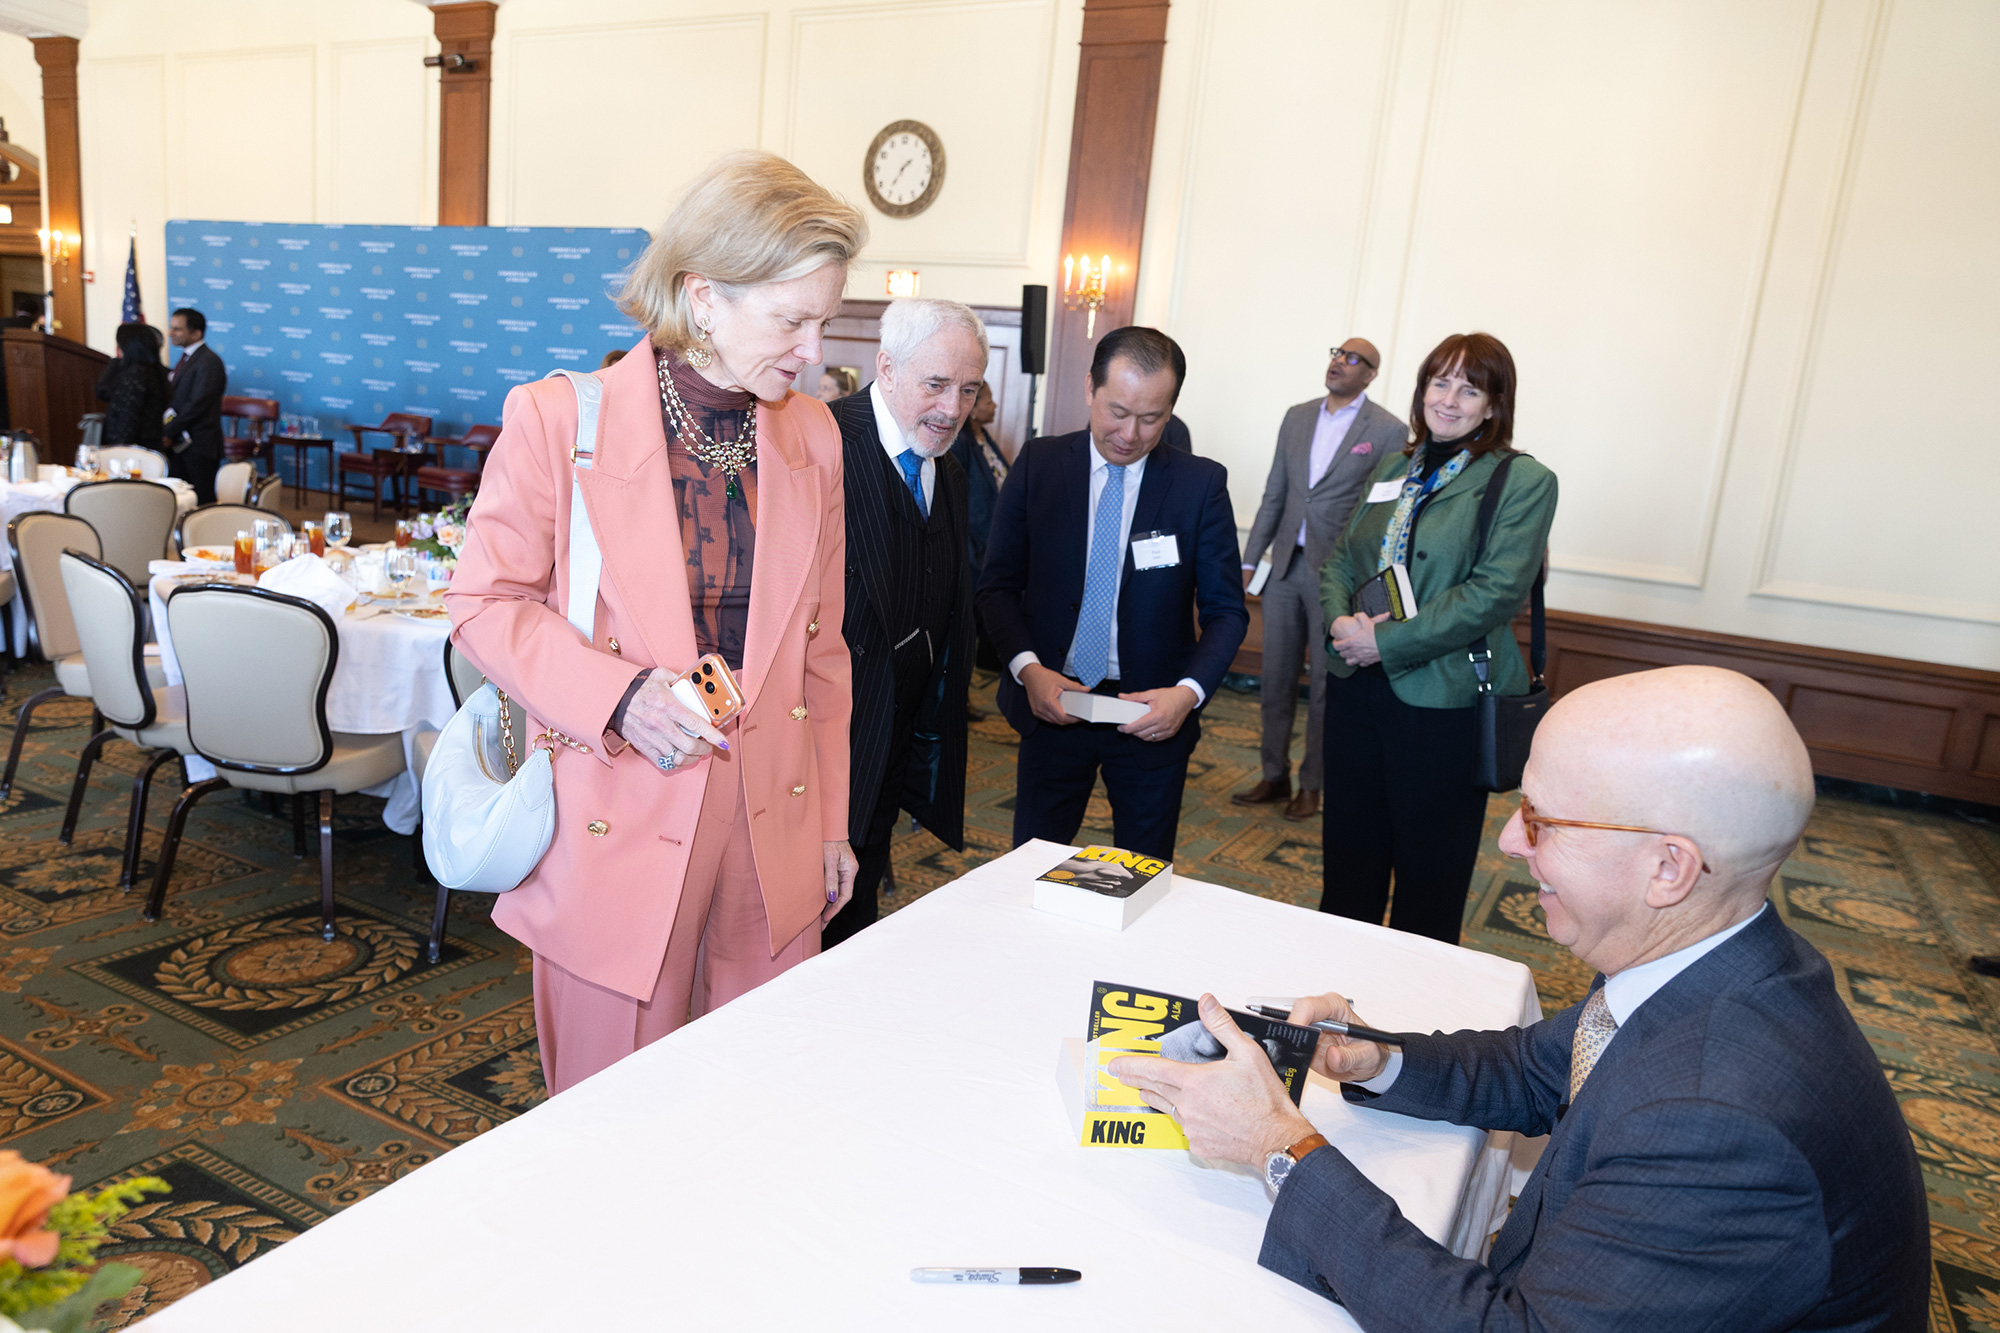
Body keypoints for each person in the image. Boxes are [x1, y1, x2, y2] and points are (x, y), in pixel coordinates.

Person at [1107, 666, 1928, 1330]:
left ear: (1668, 868)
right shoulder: (1712, 955)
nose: (1507, 841)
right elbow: (1546, 1067)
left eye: (1542, 820)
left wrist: (1277, 1146)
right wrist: (1372, 1055)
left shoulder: (1718, 1123)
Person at [448, 151, 865, 1095]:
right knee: (610, 1110)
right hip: (620, 797)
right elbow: (481, 601)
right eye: (791, 319)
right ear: (702, 295)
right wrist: (621, 696)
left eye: (824, 319)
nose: (812, 349)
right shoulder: (560, 419)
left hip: (780, 814)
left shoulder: (813, 434)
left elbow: (824, 651)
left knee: (756, 1095)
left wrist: (835, 822)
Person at [1319, 332, 1555, 943]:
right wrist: (1341, 621)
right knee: (1349, 860)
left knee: (1430, 876)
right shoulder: (1394, 464)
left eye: (1469, 388)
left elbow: (1494, 593)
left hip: (1443, 701)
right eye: (1439, 382)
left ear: (1493, 404)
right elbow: (1342, 559)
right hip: (1356, 689)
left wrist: (1387, 644)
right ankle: (1331, 996)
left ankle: (1414, 1026)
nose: (1448, 400)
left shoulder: (1522, 480)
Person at [977, 327, 1247, 861]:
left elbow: (1226, 612)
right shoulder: (1039, 465)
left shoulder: (1199, 485)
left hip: (1152, 714)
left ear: (1171, 410)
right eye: (1117, 411)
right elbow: (997, 587)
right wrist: (1029, 672)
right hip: (1054, 700)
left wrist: (1186, 694)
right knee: (1029, 868)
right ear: (1089, 389)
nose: (1130, 433)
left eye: (1151, 418)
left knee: (1140, 877)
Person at [821, 299, 982, 948]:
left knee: (857, 913)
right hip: (824, 748)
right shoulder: (822, 444)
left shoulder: (953, 469)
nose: (953, 408)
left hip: (895, 740)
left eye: (969, 389)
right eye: (937, 384)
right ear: (885, 368)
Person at [1233, 338, 1407, 823]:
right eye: (1337, 353)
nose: (1339, 362)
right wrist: (1250, 560)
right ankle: (1273, 774)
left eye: (1353, 359)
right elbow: (1276, 491)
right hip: (1285, 566)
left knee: (1327, 686)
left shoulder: (1390, 430)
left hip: (1338, 576)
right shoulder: (1297, 415)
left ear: (1371, 375)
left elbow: (1383, 511)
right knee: (1276, 677)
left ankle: (1312, 783)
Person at [165, 307, 226, 503]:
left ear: (196, 333)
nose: (171, 333)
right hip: (181, 444)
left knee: (202, 500)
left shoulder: (209, 362)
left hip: (200, 444)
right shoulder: (187, 358)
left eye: (177, 329)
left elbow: (198, 404)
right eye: (171, 328)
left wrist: (169, 430)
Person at [95, 321, 169, 448]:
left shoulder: (136, 373)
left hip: (132, 448)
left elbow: (128, 417)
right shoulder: (154, 371)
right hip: (148, 443)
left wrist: (119, 448)